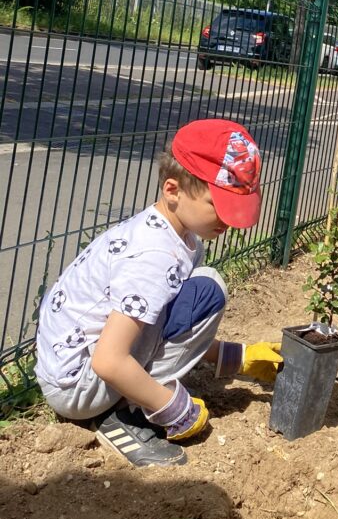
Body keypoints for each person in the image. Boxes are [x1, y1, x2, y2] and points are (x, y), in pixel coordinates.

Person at [35, 118, 283, 468]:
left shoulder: (180, 237)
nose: (227, 221)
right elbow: (109, 360)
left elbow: (158, 322)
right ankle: (129, 414)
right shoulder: (153, 258)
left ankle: (132, 398)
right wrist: (172, 407)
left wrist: (235, 356)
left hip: (72, 371)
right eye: (218, 205)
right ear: (172, 190)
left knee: (199, 289)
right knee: (208, 290)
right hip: (78, 386)